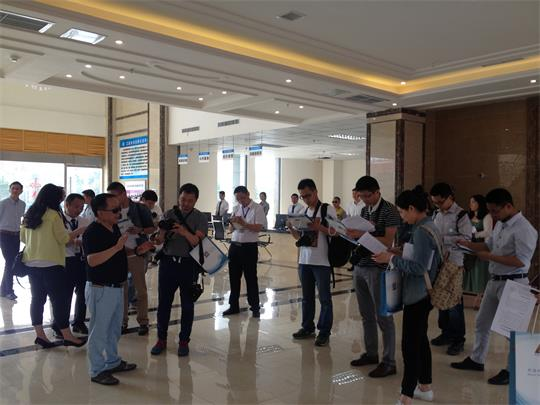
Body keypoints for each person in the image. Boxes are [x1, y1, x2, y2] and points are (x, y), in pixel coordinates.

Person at [451, 188, 538, 386]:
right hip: (495, 281)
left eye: (495, 211)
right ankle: (477, 359)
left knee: (511, 331)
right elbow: (488, 245)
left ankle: (512, 370)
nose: (493, 215)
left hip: (514, 283)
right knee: (482, 322)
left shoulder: (524, 229)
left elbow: (521, 261)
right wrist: (467, 245)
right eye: (490, 211)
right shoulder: (501, 224)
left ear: (508, 206)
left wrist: (489, 257)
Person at [373, 188, 443, 405]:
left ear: (412, 209)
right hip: (425, 293)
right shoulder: (430, 225)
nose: (402, 217)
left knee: (410, 346)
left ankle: (406, 397)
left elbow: (420, 267)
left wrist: (390, 259)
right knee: (420, 341)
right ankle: (425, 387)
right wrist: (398, 252)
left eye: (403, 212)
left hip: (418, 294)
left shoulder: (421, 231)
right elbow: (422, 257)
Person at [83, 193, 147, 385]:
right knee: (99, 331)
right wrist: (117, 248)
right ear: (100, 212)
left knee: (113, 329)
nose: (119, 213)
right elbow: (92, 260)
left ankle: (112, 361)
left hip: (117, 286)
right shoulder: (92, 232)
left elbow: (119, 252)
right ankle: (96, 370)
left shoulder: (113, 228)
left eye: (119, 209)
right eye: (115, 210)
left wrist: (137, 250)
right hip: (101, 288)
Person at [20, 183, 86, 349]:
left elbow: (23, 238)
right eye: (61, 198)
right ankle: (67, 336)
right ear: (54, 198)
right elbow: (63, 239)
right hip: (51, 263)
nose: (62, 200)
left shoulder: (30, 213)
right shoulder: (53, 214)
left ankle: (40, 335)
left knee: (37, 299)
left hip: (31, 262)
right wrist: (80, 231)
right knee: (59, 300)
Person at [347, 176, 400, 378]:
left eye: (368, 196)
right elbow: (362, 237)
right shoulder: (364, 210)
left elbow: (387, 241)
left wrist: (359, 235)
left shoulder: (389, 210)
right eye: (361, 196)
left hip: (379, 268)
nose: (365, 200)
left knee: (383, 316)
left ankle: (389, 362)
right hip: (361, 266)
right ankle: (371, 353)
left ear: (377, 192)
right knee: (366, 314)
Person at [150, 183, 208, 357]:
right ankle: (161, 339)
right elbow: (159, 241)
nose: (185, 204)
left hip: (189, 265)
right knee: (164, 304)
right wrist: (160, 234)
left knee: (187, 305)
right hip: (168, 263)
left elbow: (196, 241)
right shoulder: (169, 214)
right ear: (179, 198)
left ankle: (184, 341)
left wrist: (183, 232)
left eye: (190, 200)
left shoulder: (200, 218)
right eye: (183, 199)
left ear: (196, 200)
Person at [288, 179, 335, 347]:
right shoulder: (304, 211)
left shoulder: (327, 209)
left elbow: (336, 232)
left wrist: (319, 228)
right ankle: (307, 327)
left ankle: (324, 332)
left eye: (308, 195)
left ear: (315, 192)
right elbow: (300, 237)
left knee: (324, 298)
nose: (306, 199)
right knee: (307, 298)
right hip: (304, 260)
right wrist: (291, 228)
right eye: (303, 197)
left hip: (322, 261)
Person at [429, 182, 473, 356]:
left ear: (450, 198)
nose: (438, 206)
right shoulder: (436, 214)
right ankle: (445, 333)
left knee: (454, 302)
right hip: (438, 263)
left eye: (440, 202)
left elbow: (466, 239)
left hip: (455, 264)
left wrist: (443, 239)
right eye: (435, 203)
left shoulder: (461, 215)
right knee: (441, 299)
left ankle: (458, 339)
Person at [106, 182, 155, 335]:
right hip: (119, 254)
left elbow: (152, 228)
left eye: (115, 196)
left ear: (123, 194)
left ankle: (143, 321)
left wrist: (140, 230)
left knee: (141, 291)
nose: (113, 200)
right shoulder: (111, 211)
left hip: (137, 253)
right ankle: (122, 321)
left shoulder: (140, 209)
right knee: (122, 291)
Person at [223, 186, 267, 317]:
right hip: (235, 246)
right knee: (233, 278)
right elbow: (230, 229)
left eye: (242, 198)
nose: (241, 201)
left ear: (248, 194)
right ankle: (233, 306)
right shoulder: (236, 208)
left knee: (251, 278)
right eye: (238, 199)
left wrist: (244, 223)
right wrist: (232, 223)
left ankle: (255, 307)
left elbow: (258, 227)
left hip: (249, 247)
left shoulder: (257, 208)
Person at [63, 193, 89, 334]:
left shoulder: (85, 221)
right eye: (76, 206)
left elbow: (89, 239)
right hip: (66, 260)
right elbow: (62, 240)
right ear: (66, 205)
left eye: (81, 207)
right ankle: (61, 324)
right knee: (65, 293)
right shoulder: (59, 221)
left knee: (82, 292)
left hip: (82, 259)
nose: (79, 210)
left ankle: (79, 322)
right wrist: (74, 239)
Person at [0, 181, 26, 300]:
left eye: (17, 189)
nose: (15, 190)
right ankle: (9, 291)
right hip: (4, 234)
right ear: (10, 190)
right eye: (13, 188)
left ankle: (3, 290)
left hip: (16, 235)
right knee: (9, 261)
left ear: (21, 191)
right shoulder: (3, 203)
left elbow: (22, 220)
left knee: (11, 262)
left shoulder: (22, 204)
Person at [463, 195, 493, 295]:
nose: (470, 204)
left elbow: (488, 232)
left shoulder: (487, 216)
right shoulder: (468, 216)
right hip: (469, 246)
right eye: (470, 202)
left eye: (473, 202)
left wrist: (474, 235)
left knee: (478, 270)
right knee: (469, 268)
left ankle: (479, 293)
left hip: (480, 246)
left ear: (479, 203)